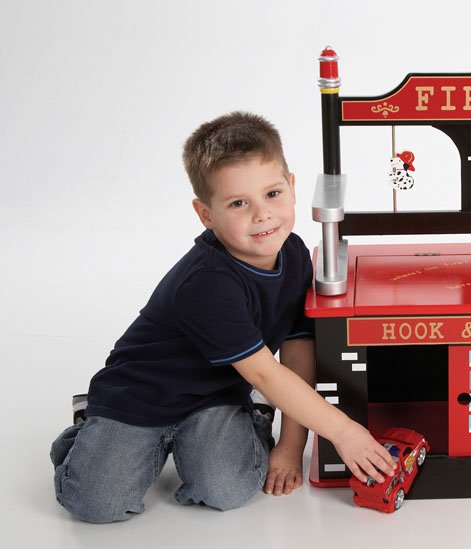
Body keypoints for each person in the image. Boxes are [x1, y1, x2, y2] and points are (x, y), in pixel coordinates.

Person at [50, 112, 396, 523]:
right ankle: (89, 435)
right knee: (96, 505)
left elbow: (298, 352)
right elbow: (267, 375)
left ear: (293, 186)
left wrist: (289, 446)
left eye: (272, 193)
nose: (262, 215)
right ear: (206, 214)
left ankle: (239, 421)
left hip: (215, 397)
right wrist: (343, 431)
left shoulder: (295, 254)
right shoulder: (207, 283)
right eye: (238, 203)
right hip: (140, 398)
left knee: (228, 491)